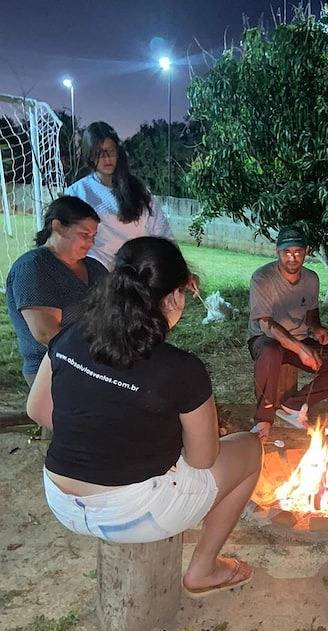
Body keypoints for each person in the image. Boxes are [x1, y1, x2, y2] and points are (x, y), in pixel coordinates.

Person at [26, 236, 262, 597]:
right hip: (134, 515)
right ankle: (203, 569)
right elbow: (202, 460)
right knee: (250, 449)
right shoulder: (182, 368)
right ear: (174, 298)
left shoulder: (72, 335)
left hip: (61, 499)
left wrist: (98, 431)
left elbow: (38, 410)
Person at [248, 225, 328, 441]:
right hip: (265, 340)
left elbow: (311, 313)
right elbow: (265, 323)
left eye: (297, 252)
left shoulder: (311, 279)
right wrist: (300, 349)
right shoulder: (262, 278)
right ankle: (263, 420)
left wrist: (317, 328)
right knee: (271, 351)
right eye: (286, 252)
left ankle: (293, 405)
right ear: (277, 251)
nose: (292, 258)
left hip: (299, 340)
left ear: (306, 251)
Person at [6, 196, 106, 386]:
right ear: (58, 226)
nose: (91, 243)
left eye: (93, 236)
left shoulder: (95, 268)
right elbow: (46, 333)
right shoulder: (34, 267)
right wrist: (99, 356)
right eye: (85, 235)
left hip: (98, 365)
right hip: (52, 369)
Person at [66, 122, 172, 271]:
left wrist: (179, 268)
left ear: (118, 151)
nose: (106, 158)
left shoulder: (138, 189)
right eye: (98, 153)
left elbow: (162, 231)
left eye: (111, 151)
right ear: (89, 155)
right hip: (98, 271)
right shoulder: (77, 193)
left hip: (138, 270)